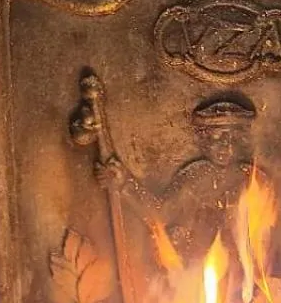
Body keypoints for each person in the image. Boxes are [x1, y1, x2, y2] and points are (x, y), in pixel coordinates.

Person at [97, 95, 260, 263]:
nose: (225, 147)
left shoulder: (250, 179)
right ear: (204, 140)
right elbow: (161, 214)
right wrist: (125, 183)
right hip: (197, 268)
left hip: (242, 268)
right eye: (217, 138)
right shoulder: (196, 175)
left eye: (232, 139)